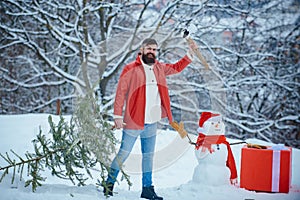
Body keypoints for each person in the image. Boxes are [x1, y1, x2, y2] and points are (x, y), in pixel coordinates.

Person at [103, 38, 195, 200]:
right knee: (123, 154)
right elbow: (120, 92)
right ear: (142, 49)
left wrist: (190, 53)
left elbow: (176, 68)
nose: (152, 52)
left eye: (154, 49)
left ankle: (147, 188)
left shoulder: (159, 68)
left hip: (152, 122)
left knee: (148, 156)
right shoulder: (130, 68)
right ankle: (109, 184)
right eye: (149, 49)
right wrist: (117, 116)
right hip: (133, 121)